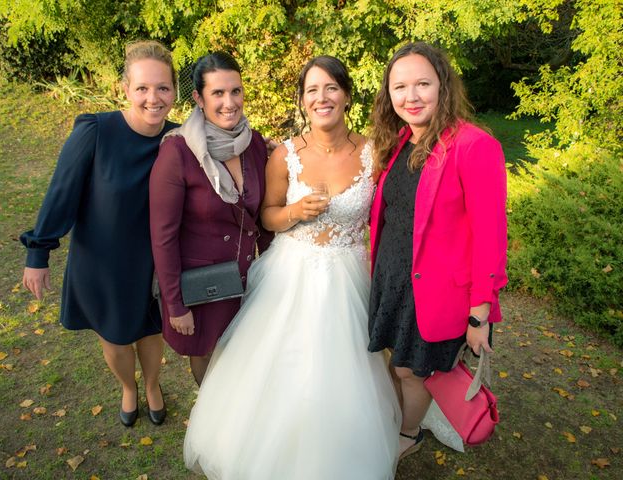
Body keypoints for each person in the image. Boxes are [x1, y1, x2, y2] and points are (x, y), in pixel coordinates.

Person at [182, 55, 401, 480]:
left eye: (331, 88)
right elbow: (267, 216)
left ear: (347, 95)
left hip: (351, 276)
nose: (322, 98)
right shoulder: (285, 154)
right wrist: (296, 211)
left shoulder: (375, 152)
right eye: (312, 90)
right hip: (292, 272)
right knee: (283, 367)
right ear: (302, 101)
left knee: (348, 374)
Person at [21, 40, 179, 427]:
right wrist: (38, 253)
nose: (153, 98)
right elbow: (62, 192)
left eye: (162, 87)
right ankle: (128, 387)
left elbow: (233, 148)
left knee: (152, 330)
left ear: (175, 91)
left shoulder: (182, 139)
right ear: (124, 89)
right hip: (104, 262)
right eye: (142, 88)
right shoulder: (96, 131)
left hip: (156, 261)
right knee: (115, 336)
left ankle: (154, 384)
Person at [368, 41, 508, 458]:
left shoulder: (473, 145)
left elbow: (490, 237)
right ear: (388, 94)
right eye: (400, 87)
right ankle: (404, 420)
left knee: (413, 372)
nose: (410, 97)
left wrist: (479, 314)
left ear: (443, 86)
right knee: (398, 364)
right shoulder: (398, 142)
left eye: (422, 84)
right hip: (394, 282)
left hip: (438, 293)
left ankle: (409, 433)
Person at [149, 52, 273, 386]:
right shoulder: (177, 152)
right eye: (218, 93)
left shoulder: (255, 144)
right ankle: (211, 420)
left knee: (246, 355)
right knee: (205, 357)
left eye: (236, 91)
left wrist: (276, 272)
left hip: (248, 279)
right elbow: (163, 237)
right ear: (199, 99)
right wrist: (175, 304)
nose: (229, 102)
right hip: (202, 288)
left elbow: (261, 219)